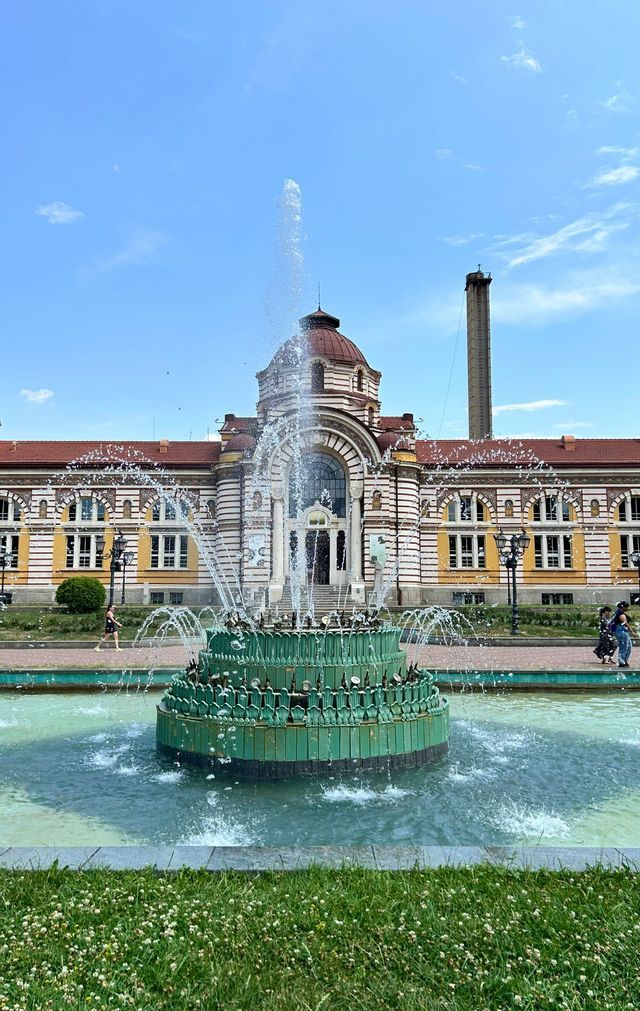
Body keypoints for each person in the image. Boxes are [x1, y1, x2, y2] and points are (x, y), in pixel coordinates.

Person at [610, 601, 634, 669]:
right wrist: (632, 631)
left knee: (628, 646)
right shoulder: (620, 613)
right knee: (624, 646)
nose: (627, 608)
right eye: (626, 607)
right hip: (621, 632)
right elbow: (625, 623)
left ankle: (624, 660)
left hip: (622, 631)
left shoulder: (617, 612)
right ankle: (621, 662)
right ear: (623, 607)